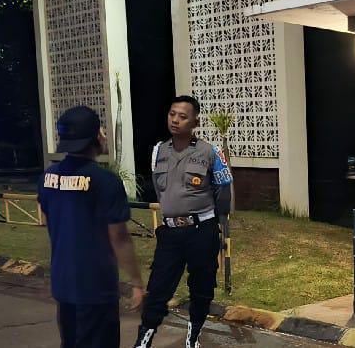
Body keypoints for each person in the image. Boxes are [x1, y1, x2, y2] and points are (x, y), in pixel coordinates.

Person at [37, 106, 145, 348]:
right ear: (97, 137)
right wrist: (137, 283)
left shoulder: (47, 178)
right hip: (96, 288)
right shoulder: (105, 182)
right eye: (102, 131)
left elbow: (48, 220)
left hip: (64, 283)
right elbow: (119, 237)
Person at [134, 95, 233, 348]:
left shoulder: (210, 152)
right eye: (172, 114)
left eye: (182, 116)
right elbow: (160, 189)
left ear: (195, 122)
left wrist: (217, 225)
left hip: (201, 230)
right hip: (170, 233)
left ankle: (193, 337)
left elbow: (223, 189)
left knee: (202, 287)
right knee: (158, 288)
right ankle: (143, 340)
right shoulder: (159, 151)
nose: (175, 120)